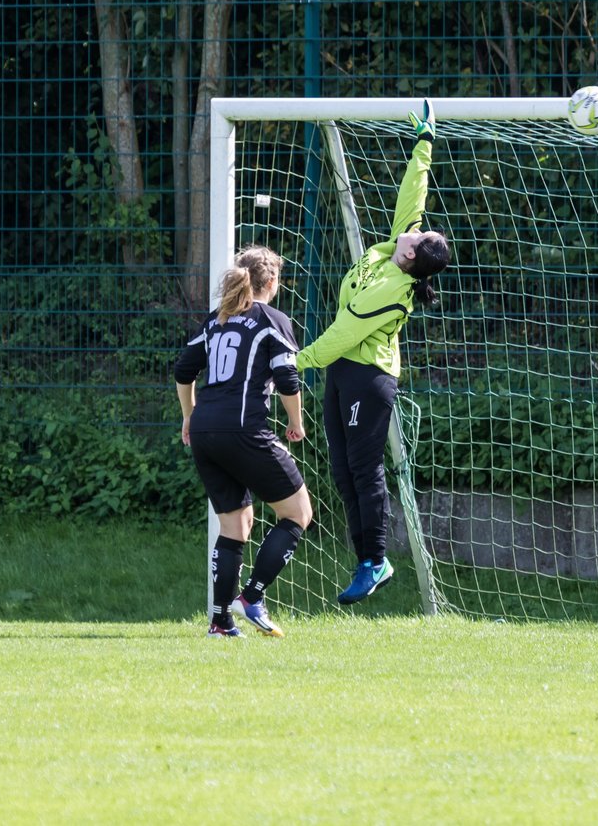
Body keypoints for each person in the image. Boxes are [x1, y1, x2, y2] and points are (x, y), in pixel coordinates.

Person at [295, 100, 451, 605]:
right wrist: (424, 141)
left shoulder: (389, 290)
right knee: (342, 472)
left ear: (411, 254)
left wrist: (294, 361)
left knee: (365, 471)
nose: (417, 224)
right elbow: (414, 194)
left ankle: (375, 559)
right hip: (343, 372)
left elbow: (342, 333)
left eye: (419, 231)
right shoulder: (397, 250)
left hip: (368, 378)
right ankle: (366, 560)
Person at [175, 245, 312, 638]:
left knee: (236, 524)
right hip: (242, 429)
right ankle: (251, 596)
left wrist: (188, 416)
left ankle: (220, 622)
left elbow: (183, 370)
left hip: (204, 432)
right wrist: (295, 422)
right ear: (271, 283)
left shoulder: (216, 321)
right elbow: (287, 379)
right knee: (298, 513)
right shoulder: (272, 319)